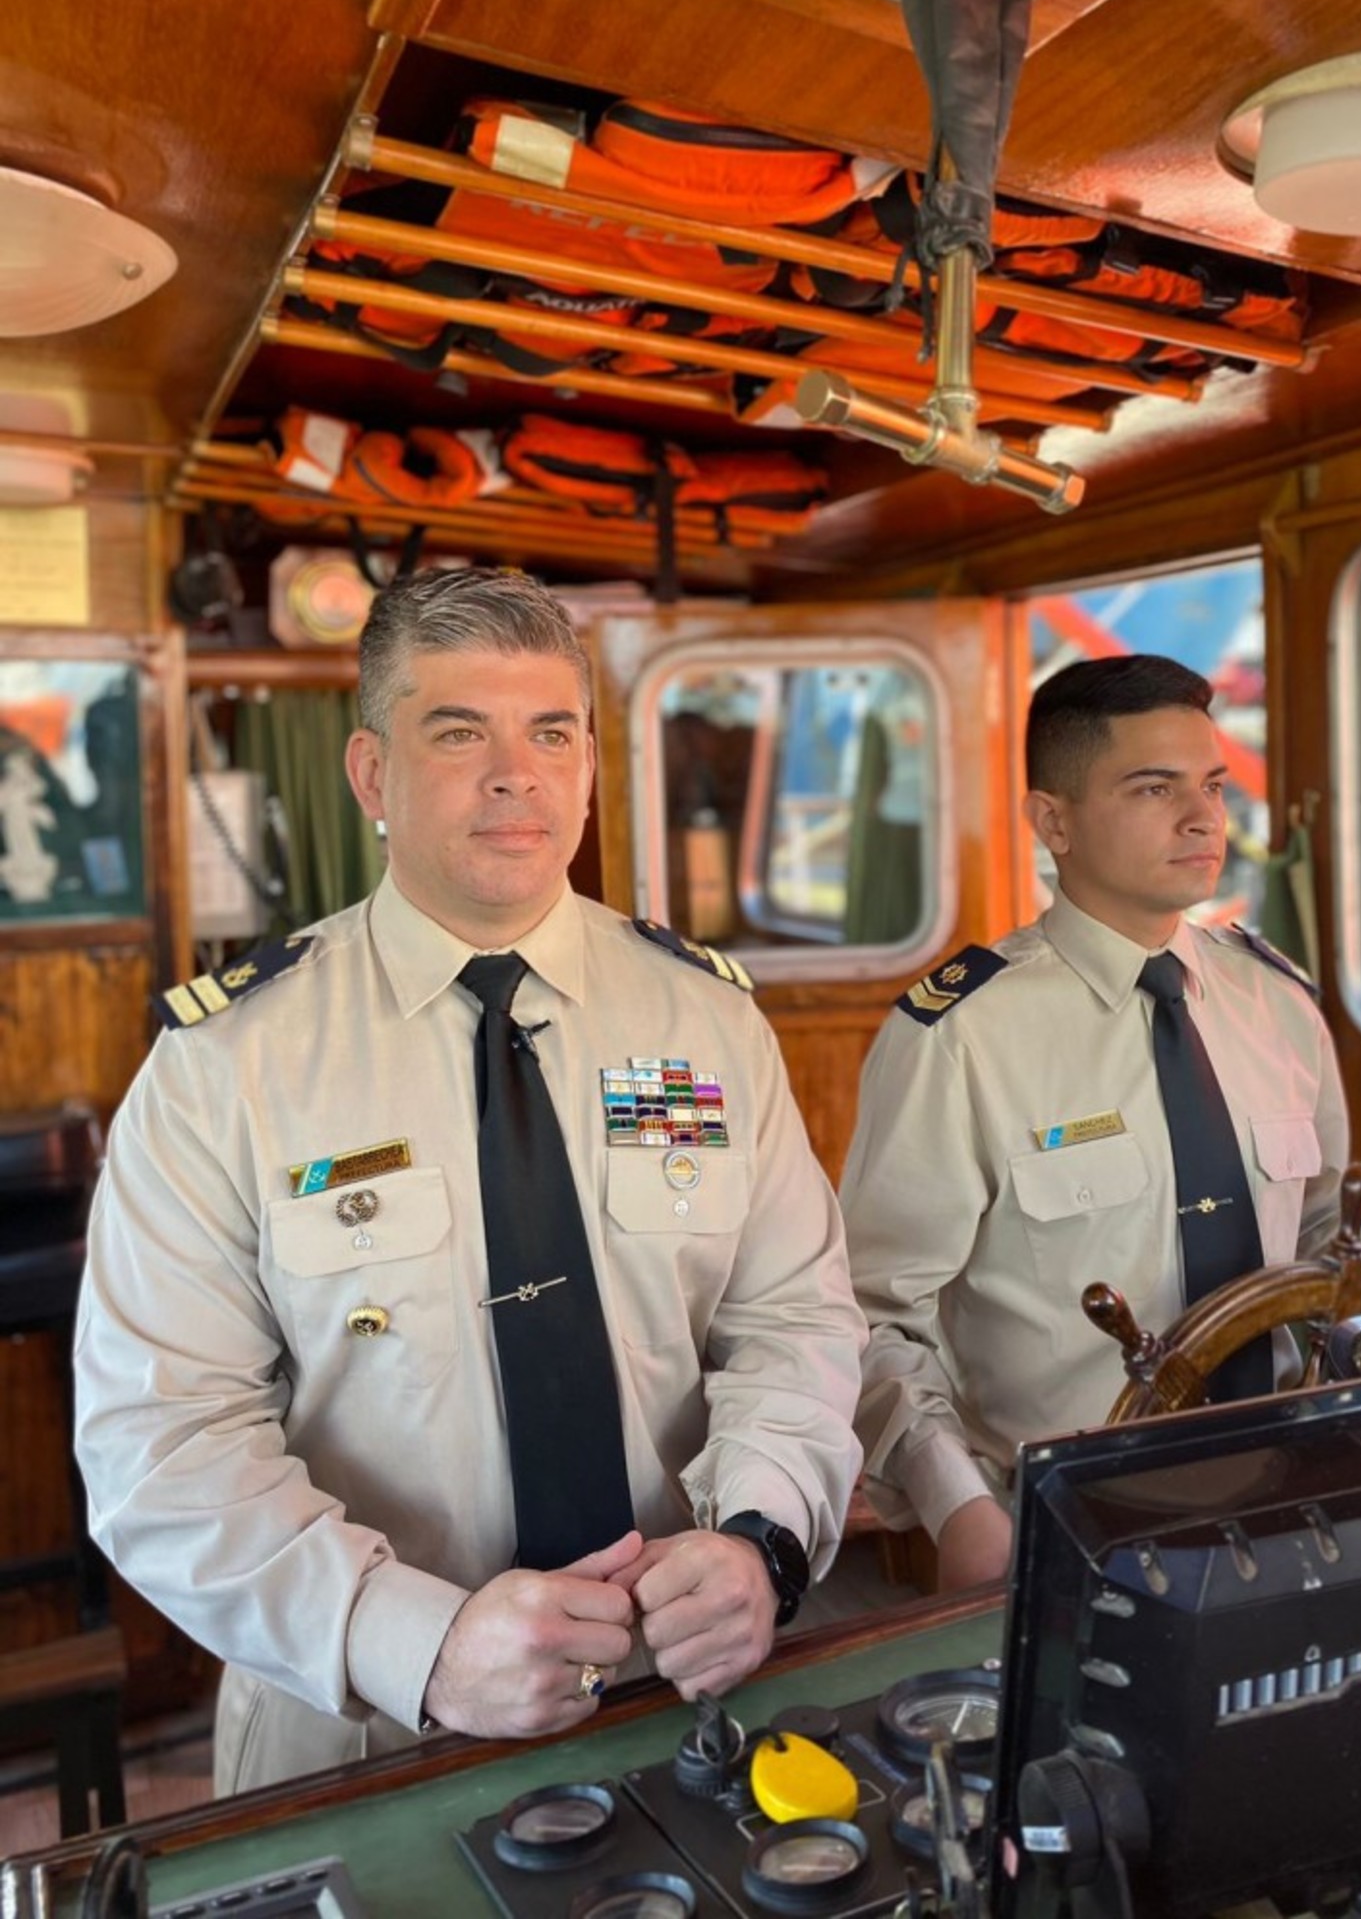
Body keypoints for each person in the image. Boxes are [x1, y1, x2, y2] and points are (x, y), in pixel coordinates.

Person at [74, 567, 865, 1792]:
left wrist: (760, 1534)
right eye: (460, 732)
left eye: (552, 731)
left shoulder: (705, 1020)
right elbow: (160, 1442)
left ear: (590, 763)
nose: (517, 773)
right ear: (373, 776)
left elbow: (790, 1320)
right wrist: (421, 1641)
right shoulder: (224, 1064)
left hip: (685, 1683)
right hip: (364, 1722)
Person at [839, 653, 1361, 1593]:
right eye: (1154, 787)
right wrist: (961, 1507)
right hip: (1069, 1521)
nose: (1204, 818)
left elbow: (1335, 1233)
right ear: (1054, 821)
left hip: (1298, 1483)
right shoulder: (959, 1037)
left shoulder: (1274, 999)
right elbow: (877, 1317)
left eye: (1211, 784)